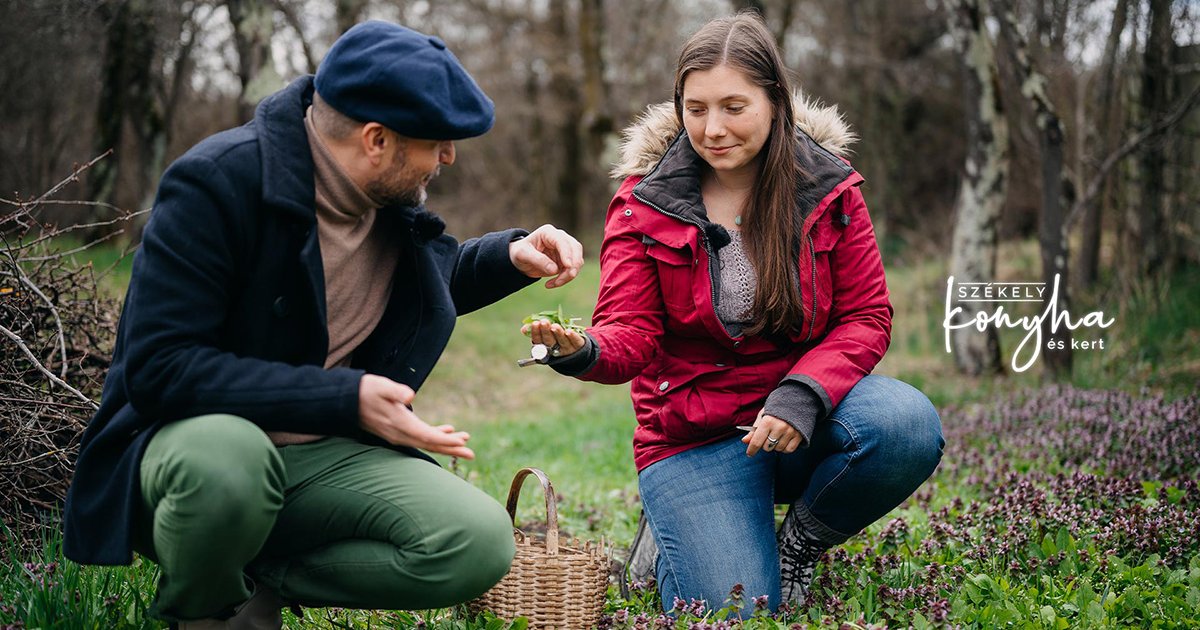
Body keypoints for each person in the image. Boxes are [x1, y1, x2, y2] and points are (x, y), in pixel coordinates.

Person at [62, 20, 583, 629]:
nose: (448, 157)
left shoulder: (388, 203)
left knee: (475, 542)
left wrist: (510, 256)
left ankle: (260, 584)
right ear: (376, 140)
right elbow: (158, 368)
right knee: (232, 462)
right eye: (437, 142)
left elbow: (414, 290)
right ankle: (204, 613)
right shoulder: (216, 183)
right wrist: (346, 397)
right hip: (194, 459)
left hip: (318, 458)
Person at [524, 13, 943, 613]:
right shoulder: (644, 202)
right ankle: (675, 531)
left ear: (775, 102)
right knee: (733, 611)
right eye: (696, 109)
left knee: (905, 423)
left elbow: (866, 316)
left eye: (733, 107)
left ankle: (797, 545)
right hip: (693, 438)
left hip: (797, 420)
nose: (712, 129)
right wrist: (582, 351)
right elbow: (631, 333)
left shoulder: (830, 190)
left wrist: (803, 393)